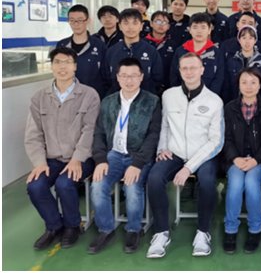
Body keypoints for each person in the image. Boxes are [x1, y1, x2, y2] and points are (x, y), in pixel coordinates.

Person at [146, 53, 224, 258]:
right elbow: (164, 126)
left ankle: (203, 233)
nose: (189, 72)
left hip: (204, 155)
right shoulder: (168, 96)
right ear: (179, 71)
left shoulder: (214, 101)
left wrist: (189, 168)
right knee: (154, 177)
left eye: (193, 68)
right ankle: (161, 233)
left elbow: (216, 140)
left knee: (207, 182)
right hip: (175, 152)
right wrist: (162, 148)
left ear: (202, 70)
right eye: (185, 68)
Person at [24, 47, 100, 251]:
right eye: (57, 62)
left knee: (64, 184)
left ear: (75, 66)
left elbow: (90, 131)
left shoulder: (89, 95)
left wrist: (77, 159)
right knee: (35, 186)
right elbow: (33, 134)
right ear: (51, 66)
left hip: (82, 158)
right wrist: (39, 163)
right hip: (52, 159)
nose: (62, 67)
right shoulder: (39, 97)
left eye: (67, 62)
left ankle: (72, 226)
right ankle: (54, 226)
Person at [88, 58, 161, 254]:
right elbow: (99, 133)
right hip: (114, 155)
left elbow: (154, 136)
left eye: (134, 76)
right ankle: (106, 229)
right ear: (118, 77)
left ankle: (133, 229)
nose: (129, 80)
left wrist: (138, 163)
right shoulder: (108, 102)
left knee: (132, 186)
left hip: (139, 156)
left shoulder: (152, 101)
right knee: (98, 185)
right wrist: (100, 160)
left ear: (141, 77)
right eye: (125, 76)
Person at [223, 67, 261, 255]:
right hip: (235, 160)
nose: (249, 86)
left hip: (259, 161)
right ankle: (230, 229)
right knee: (236, 183)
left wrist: (257, 160)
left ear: (260, 85)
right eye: (244, 82)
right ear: (238, 85)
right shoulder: (229, 108)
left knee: (252, 182)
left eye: (253, 82)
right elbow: (225, 138)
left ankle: (255, 229)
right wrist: (235, 158)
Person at [103, 9, 164, 96]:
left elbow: (157, 79)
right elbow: (106, 79)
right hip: (117, 100)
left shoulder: (151, 51)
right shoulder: (111, 51)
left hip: (145, 100)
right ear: (120, 26)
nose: (130, 27)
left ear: (141, 26)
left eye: (135, 23)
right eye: (126, 23)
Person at [57, 4, 108, 98]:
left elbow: (106, 76)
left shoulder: (99, 45)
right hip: (67, 97)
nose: (76, 24)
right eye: (72, 20)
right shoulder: (62, 45)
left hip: (93, 98)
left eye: (80, 20)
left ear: (88, 21)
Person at [169, 13, 225, 96]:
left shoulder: (216, 53)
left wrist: (209, 96)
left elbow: (219, 78)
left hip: (208, 98)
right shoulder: (180, 51)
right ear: (190, 30)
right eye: (195, 27)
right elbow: (174, 75)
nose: (199, 31)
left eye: (203, 27)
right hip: (182, 97)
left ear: (209, 30)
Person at [222, 26, 261, 104]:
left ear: (255, 40)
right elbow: (226, 87)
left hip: (259, 105)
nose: (247, 41)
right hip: (235, 105)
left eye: (250, 38)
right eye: (244, 38)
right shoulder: (231, 62)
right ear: (239, 40)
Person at [144, 11, 179, 93]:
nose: (161, 24)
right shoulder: (142, 44)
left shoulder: (174, 46)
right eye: (158, 21)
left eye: (165, 22)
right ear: (151, 23)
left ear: (168, 26)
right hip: (146, 88)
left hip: (168, 89)